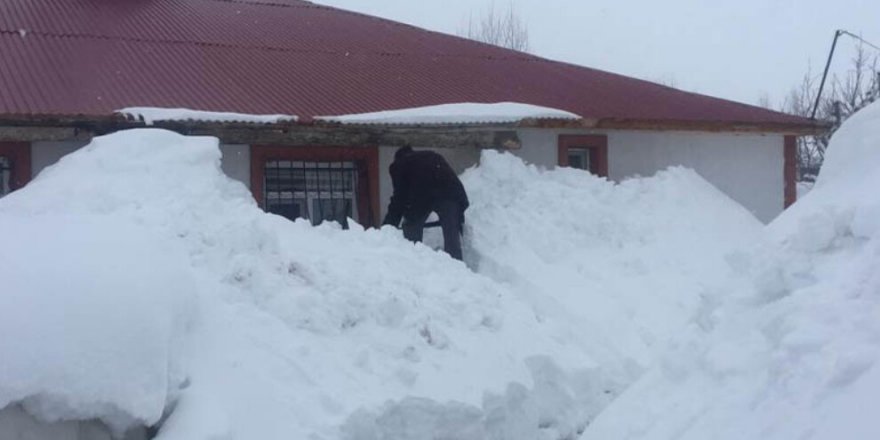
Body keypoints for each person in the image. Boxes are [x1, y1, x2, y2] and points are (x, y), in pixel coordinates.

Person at [383, 146, 469, 260]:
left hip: (423, 194)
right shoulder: (433, 155)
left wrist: (387, 227)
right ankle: (456, 266)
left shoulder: (399, 164)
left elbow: (399, 197)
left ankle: (412, 259)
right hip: (450, 193)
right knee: (451, 232)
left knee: (411, 226)